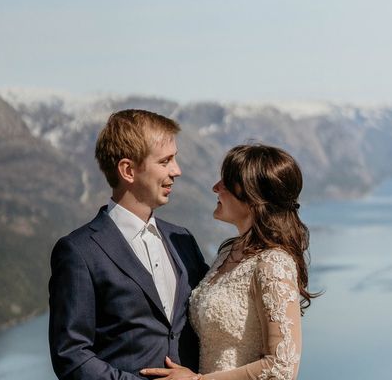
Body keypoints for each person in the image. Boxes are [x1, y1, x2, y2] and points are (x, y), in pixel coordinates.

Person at [49, 109, 209, 380]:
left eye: (175, 159)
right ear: (128, 170)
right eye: (165, 161)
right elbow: (71, 356)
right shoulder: (79, 251)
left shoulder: (182, 239)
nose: (177, 171)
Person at [141, 144, 317, 380]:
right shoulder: (229, 252)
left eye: (226, 182)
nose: (215, 187)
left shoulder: (273, 263)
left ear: (252, 196)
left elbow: (282, 367)